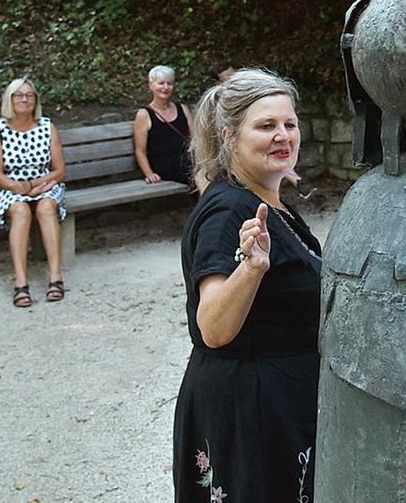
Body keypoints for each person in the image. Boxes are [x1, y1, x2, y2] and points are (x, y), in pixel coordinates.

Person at [173, 68, 321, 502]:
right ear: (229, 137)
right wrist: (251, 269)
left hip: (279, 407)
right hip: (250, 413)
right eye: (266, 126)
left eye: (289, 124)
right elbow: (213, 330)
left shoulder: (269, 201)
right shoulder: (229, 212)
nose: (283, 136)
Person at [0, 77, 67, 307]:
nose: (25, 99)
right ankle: (21, 283)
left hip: (45, 184)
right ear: (9, 100)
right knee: (20, 212)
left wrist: (39, 184)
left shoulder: (47, 126)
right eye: (19, 95)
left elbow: (60, 170)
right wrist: (18, 187)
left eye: (30, 95)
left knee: (46, 207)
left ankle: (55, 277)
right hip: (11, 186)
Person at [134, 65, 193, 185]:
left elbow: (195, 139)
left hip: (186, 162)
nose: (165, 87)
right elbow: (140, 151)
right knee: (200, 176)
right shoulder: (144, 115)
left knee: (210, 173)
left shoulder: (182, 109)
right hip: (164, 166)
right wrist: (149, 173)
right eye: (161, 83)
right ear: (151, 85)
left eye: (169, 83)